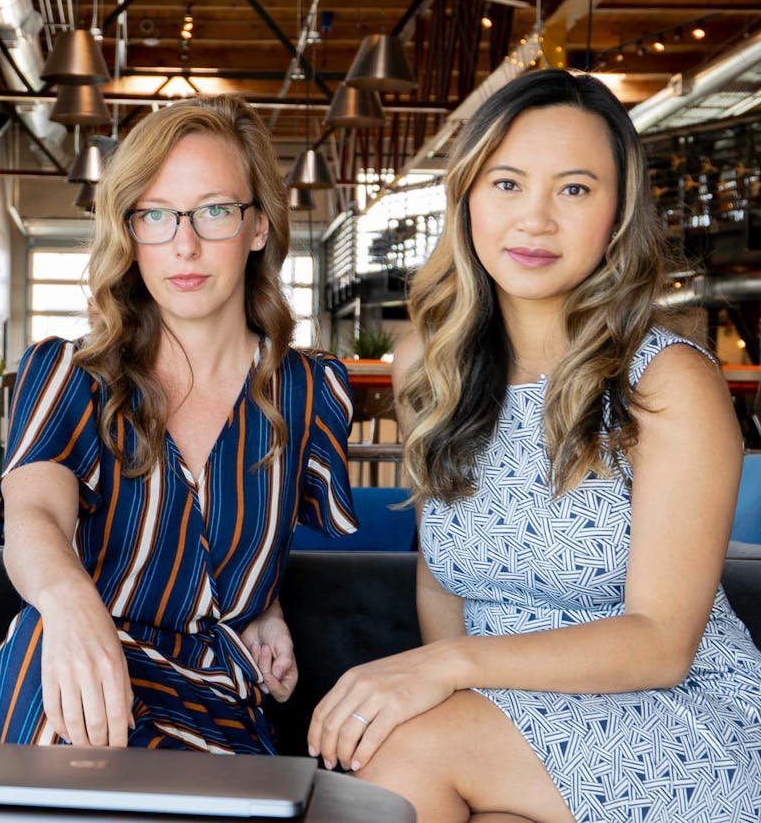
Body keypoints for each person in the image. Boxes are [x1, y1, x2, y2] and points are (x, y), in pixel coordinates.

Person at [307, 69, 761, 821]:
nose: (536, 220)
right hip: (505, 730)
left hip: (676, 719)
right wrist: (453, 688)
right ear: (469, 198)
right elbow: (442, 582)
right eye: (508, 183)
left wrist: (442, 671)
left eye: (575, 189)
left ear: (618, 213)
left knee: (401, 750)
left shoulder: (669, 382)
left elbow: (660, 642)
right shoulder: (432, 366)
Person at [0, 94, 357, 753]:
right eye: (155, 215)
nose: (184, 244)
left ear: (257, 226)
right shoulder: (71, 373)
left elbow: (234, 550)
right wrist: (70, 606)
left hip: (217, 703)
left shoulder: (311, 390)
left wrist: (264, 606)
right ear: (129, 233)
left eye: (213, 211)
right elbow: (34, 517)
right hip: (75, 666)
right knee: (55, 700)